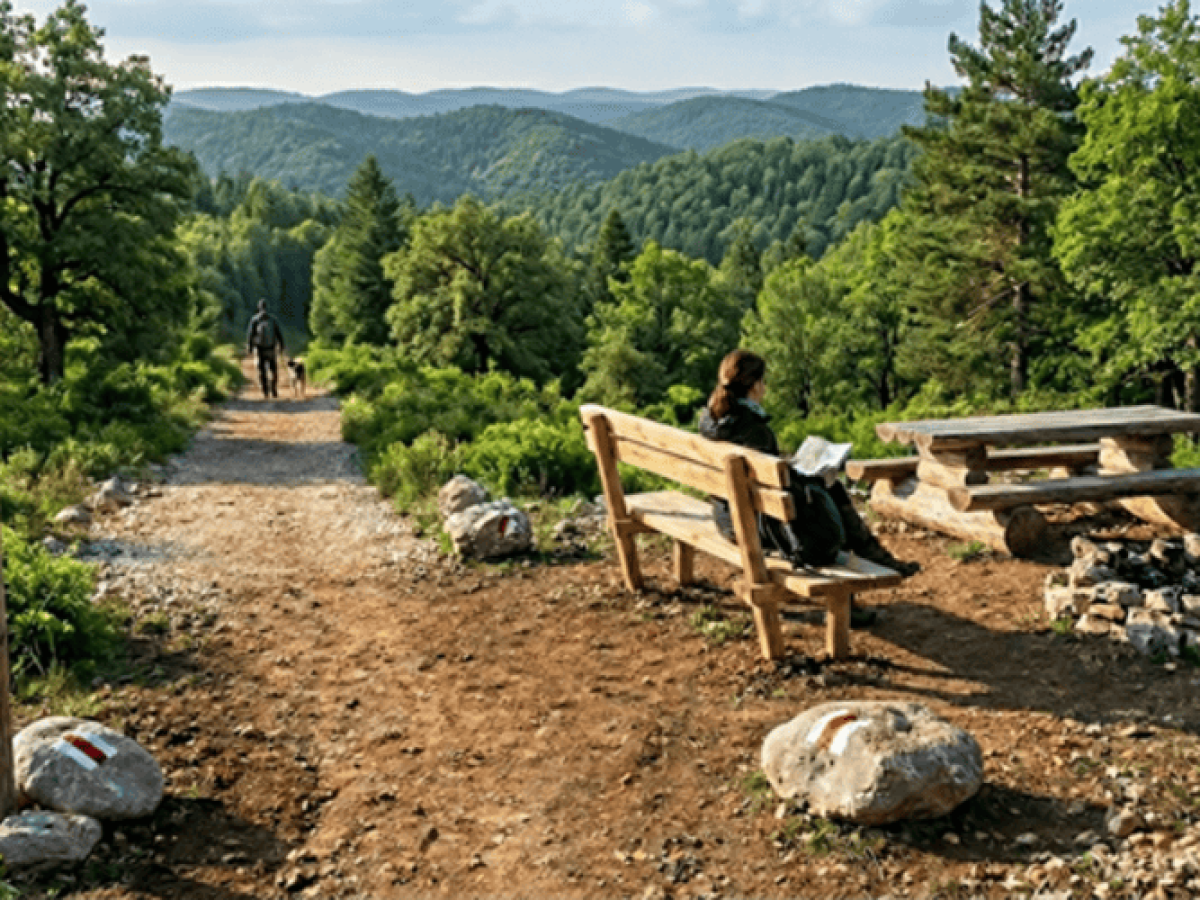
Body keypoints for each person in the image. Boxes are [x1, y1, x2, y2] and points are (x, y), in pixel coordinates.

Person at [698, 349, 919, 623]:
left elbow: (763, 480)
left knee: (826, 491)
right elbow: (774, 488)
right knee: (830, 495)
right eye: (763, 382)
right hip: (756, 526)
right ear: (755, 385)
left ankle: (876, 557)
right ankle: (870, 565)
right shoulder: (756, 430)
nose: (765, 387)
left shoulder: (710, 421)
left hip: (727, 518)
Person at [246, 299, 285, 399]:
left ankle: (265, 391)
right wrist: (282, 345)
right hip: (271, 348)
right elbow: (279, 333)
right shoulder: (273, 319)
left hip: (260, 349)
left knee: (262, 370)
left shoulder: (255, 319)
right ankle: (273, 388)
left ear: (258, 307)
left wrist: (250, 347)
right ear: (266, 307)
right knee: (273, 369)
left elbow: (251, 334)